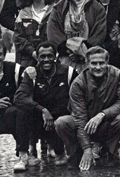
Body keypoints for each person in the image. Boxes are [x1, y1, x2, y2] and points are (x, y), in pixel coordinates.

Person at [54, 46, 120, 170]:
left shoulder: (117, 75)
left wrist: (102, 114)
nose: (98, 67)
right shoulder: (78, 83)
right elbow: (79, 118)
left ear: (107, 63)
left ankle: (108, 152)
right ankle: (75, 152)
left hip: (105, 122)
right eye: (94, 63)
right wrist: (87, 149)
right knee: (62, 122)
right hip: (84, 124)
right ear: (87, 64)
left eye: (101, 63)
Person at [13, 42, 78, 171]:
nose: (46, 60)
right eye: (42, 56)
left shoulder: (68, 72)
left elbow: (79, 95)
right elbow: (19, 97)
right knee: (20, 113)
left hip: (60, 118)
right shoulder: (32, 73)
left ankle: (61, 149)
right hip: (40, 118)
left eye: (50, 56)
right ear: (37, 57)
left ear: (56, 56)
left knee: (61, 123)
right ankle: (27, 153)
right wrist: (42, 110)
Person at [47, 0, 107, 73]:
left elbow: (99, 33)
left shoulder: (98, 8)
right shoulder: (59, 7)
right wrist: (66, 49)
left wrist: (83, 50)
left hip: (89, 59)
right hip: (66, 59)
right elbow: (53, 31)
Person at [14, 0, 55, 67]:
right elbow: (18, 38)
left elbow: (59, 35)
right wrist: (32, 52)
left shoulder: (54, 11)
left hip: (51, 59)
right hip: (28, 61)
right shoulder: (23, 13)